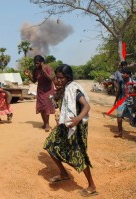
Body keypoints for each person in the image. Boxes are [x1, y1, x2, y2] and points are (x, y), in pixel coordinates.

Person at [43, 64, 98, 197]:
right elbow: (59, 101)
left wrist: (78, 119)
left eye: (61, 77)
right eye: (57, 77)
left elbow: (86, 106)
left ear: (68, 77)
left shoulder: (74, 89)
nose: (59, 80)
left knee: (78, 154)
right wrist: (56, 95)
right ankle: (63, 173)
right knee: (50, 145)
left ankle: (92, 186)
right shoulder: (65, 88)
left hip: (76, 126)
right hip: (65, 125)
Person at [24, 55, 55, 132]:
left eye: (37, 63)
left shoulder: (47, 68)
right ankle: (44, 123)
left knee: (47, 106)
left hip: (48, 90)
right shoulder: (35, 70)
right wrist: (29, 76)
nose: (36, 65)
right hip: (40, 90)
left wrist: (44, 72)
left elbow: (51, 79)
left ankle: (47, 124)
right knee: (41, 107)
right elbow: (34, 81)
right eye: (35, 63)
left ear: (42, 62)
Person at [113, 68, 135, 138]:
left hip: (131, 102)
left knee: (133, 118)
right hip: (122, 101)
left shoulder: (133, 83)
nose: (122, 74)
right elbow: (119, 92)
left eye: (124, 73)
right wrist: (115, 101)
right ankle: (120, 132)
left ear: (128, 75)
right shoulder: (121, 82)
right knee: (119, 116)